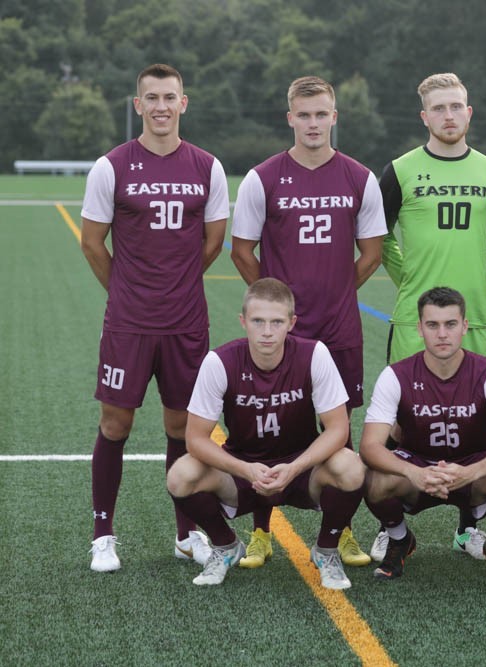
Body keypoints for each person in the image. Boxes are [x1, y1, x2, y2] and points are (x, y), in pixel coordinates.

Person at [231, 75, 387, 570]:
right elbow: (241, 250)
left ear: (334, 117)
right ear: (290, 119)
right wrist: (277, 308)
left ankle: (340, 532)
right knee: (268, 425)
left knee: (339, 429)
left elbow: (372, 253)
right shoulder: (263, 177)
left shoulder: (359, 177)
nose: (313, 123)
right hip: (283, 333)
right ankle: (261, 532)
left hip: (339, 328)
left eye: (321, 114)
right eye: (304, 115)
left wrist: (338, 292)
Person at [80, 63, 229, 572]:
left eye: (170, 97)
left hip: (185, 322)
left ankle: (185, 535)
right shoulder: (111, 166)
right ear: (138, 105)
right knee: (115, 422)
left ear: (183, 103)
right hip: (129, 322)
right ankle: (103, 535)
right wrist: (127, 291)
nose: (161, 106)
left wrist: (177, 284)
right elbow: (92, 242)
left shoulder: (207, 166)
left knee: (182, 425)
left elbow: (213, 241)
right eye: (152, 98)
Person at [377, 72, 486, 560]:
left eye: (456, 106)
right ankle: (391, 525)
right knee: (399, 424)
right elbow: (378, 235)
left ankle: (469, 527)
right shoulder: (399, 171)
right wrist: (411, 278)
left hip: (475, 318)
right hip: (414, 320)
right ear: (424, 116)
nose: (448, 116)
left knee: (474, 423)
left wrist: (468, 281)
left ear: (469, 112)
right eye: (439, 108)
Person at [166, 278, 366, 589]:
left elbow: (338, 428)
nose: (267, 331)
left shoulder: (314, 354)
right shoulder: (220, 362)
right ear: (243, 321)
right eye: (258, 321)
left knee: (351, 466)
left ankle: (326, 550)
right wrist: (244, 469)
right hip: (244, 470)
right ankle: (225, 545)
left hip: (301, 469)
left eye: (277, 322)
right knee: (181, 475)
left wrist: (295, 467)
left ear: (292, 323)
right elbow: (195, 439)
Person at [360, 287, 486, 584]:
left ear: (464, 326)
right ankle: (399, 539)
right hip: (417, 463)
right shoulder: (396, 375)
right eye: (432, 325)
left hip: (471, 465)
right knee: (375, 478)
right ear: (419, 328)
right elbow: (370, 446)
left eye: (450, 324)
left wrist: (470, 472)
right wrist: (414, 473)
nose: (442, 334)